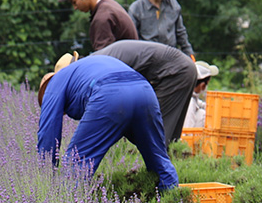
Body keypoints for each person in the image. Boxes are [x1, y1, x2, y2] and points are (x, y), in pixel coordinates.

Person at [37, 54, 178, 190]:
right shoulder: (90, 66)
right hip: (145, 91)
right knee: (158, 160)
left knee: (76, 165)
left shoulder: (56, 81)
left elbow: (48, 132)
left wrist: (46, 177)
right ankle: (173, 202)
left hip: (109, 93)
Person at [92, 40, 201, 147]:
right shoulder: (101, 58)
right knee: (165, 132)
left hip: (176, 72)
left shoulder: (98, 67)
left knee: (153, 132)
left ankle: (150, 162)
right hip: (180, 68)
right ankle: (166, 160)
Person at [128, 0, 194, 57]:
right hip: (147, 56)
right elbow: (132, 38)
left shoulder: (173, 5)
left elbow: (181, 32)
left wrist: (189, 54)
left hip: (171, 55)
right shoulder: (136, 8)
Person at [59, 0, 138, 51]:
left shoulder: (102, 18)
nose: (75, 7)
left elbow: (103, 58)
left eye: (74, 2)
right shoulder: (108, 3)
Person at [182, 60, 219, 129]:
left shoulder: (186, 94)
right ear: (202, 86)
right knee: (202, 114)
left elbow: (199, 103)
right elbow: (187, 130)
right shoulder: (190, 103)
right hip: (187, 137)